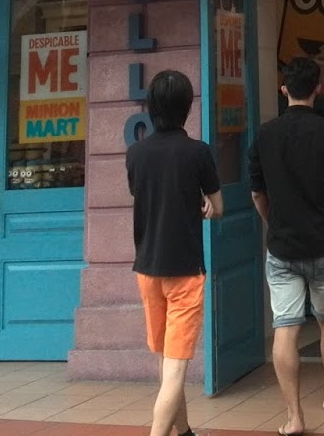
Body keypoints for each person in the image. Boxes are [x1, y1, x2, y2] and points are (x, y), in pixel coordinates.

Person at [250, 57, 324, 436]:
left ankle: (294, 417)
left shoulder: (264, 135)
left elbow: (257, 193)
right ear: (317, 88)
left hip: (282, 248)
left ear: (284, 90)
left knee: (286, 327)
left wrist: (273, 222)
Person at [125, 70, 224, 436]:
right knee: (176, 367)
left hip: (147, 267)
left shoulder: (136, 154)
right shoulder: (198, 152)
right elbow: (218, 206)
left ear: (151, 107)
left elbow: (144, 195)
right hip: (185, 271)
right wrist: (204, 204)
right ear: (187, 107)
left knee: (167, 360)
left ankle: (182, 431)